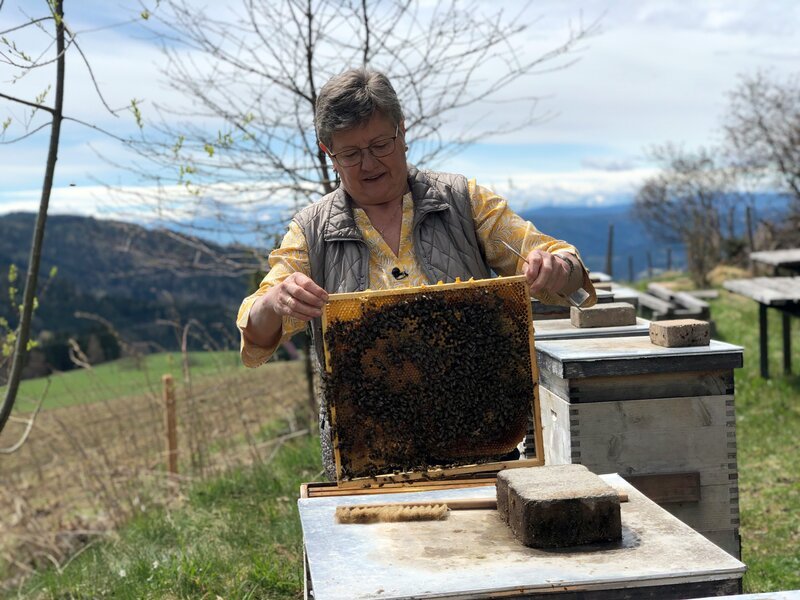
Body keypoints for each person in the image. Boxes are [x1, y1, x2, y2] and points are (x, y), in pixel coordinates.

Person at [237, 67, 596, 479]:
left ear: (402, 132)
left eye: (379, 144)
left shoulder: (464, 201)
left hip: (480, 447)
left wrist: (557, 267)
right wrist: (274, 301)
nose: (368, 163)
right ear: (327, 152)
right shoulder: (310, 231)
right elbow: (256, 333)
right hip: (365, 462)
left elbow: (564, 268)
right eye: (350, 153)